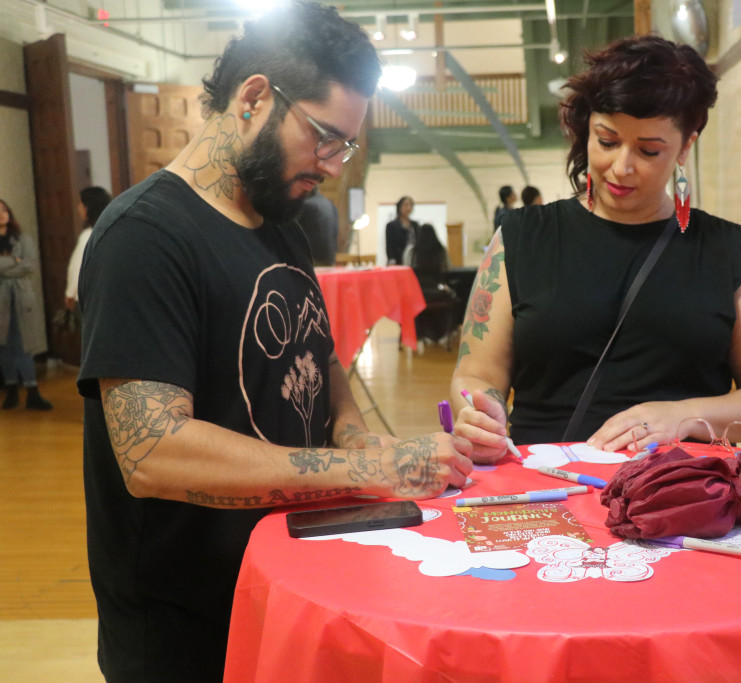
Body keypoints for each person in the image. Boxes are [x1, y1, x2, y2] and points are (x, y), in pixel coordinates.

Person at [76, 3, 472, 681]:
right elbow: (152, 451)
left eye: (344, 146)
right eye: (324, 137)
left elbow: (316, 352)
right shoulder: (143, 237)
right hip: (182, 621)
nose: (334, 166)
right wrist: (368, 473)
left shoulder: (280, 221)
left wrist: (353, 434)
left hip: (282, 577)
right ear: (254, 96)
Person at [451, 35, 741, 463]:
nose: (621, 166)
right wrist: (478, 411)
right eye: (606, 141)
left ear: (685, 146)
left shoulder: (723, 249)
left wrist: (686, 416)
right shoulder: (524, 237)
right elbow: (477, 372)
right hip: (547, 486)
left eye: (648, 150)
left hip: (680, 493)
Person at [0, 198, 52, 411]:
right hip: (1, 298)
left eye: (4, 210)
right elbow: (21, 264)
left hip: (22, 297)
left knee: (24, 344)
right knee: (3, 345)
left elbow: (30, 264)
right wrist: (15, 261)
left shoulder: (23, 239)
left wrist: (6, 265)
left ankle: (32, 391)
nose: (2, 214)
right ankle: (11, 389)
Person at [65, 186, 112, 311]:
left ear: (88, 207)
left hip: (88, 297)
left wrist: (70, 294)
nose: (78, 208)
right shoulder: (112, 230)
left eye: (81, 204)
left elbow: (77, 268)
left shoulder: (88, 236)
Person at [294, 185, 339, 266]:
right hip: (330, 257)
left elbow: (291, 228)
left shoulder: (307, 205)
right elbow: (336, 230)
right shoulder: (330, 204)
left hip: (314, 259)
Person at [385, 195, 417, 264]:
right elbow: (389, 246)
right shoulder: (391, 225)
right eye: (406, 205)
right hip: (398, 259)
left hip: (413, 259)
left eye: (411, 205)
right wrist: (391, 260)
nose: (408, 208)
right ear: (399, 207)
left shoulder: (415, 225)